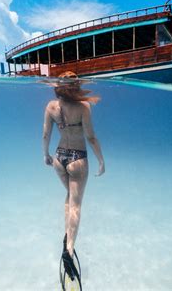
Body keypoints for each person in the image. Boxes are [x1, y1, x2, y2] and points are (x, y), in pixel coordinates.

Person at [42, 71, 105, 279]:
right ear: (76, 85)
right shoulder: (83, 107)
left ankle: (67, 235)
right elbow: (91, 137)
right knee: (76, 204)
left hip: (59, 158)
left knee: (69, 197)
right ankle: (69, 250)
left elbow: (45, 134)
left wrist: (46, 155)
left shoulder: (51, 107)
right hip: (78, 159)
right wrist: (101, 160)